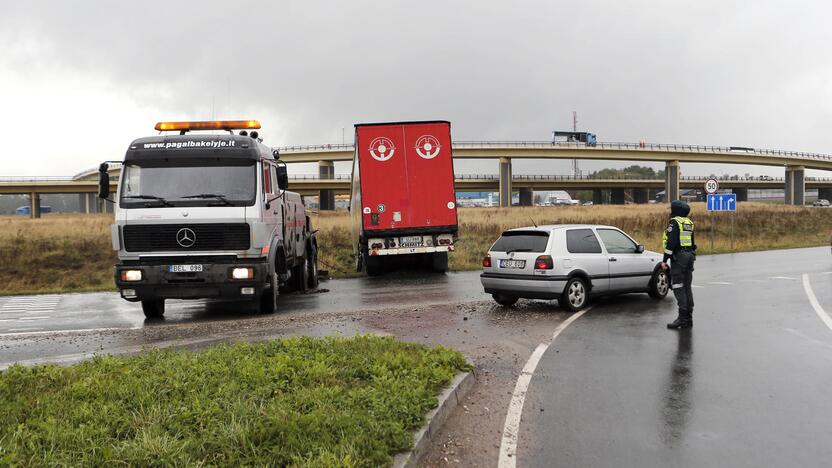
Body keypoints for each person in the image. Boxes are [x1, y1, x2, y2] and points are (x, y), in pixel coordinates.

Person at [661, 200, 696, 329]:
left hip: (679, 258)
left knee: (678, 287)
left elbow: (671, 244)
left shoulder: (674, 222)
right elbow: (693, 244)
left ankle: (682, 319)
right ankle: (689, 318)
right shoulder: (688, 222)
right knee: (687, 287)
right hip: (689, 256)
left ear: (675, 211)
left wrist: (665, 260)